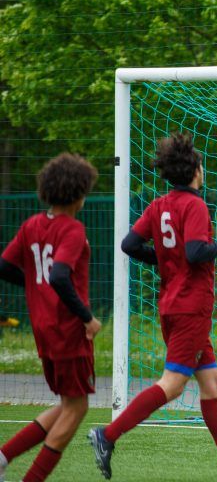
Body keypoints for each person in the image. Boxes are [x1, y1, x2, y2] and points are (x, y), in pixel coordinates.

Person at [87, 133, 217, 482]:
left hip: (172, 305)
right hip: (191, 308)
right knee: (172, 385)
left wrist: (161, 259)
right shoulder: (195, 206)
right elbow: (196, 253)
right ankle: (106, 435)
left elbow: (129, 244)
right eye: (201, 165)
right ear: (194, 170)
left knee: (211, 383)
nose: (203, 170)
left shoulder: (159, 206)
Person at [0, 153, 101, 482]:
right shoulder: (72, 229)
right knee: (78, 408)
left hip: (43, 329)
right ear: (79, 193)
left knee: (68, 404)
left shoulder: (31, 226)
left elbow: (4, 265)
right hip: (68, 330)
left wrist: (33, 283)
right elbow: (59, 275)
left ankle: (3, 457)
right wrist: (87, 318)